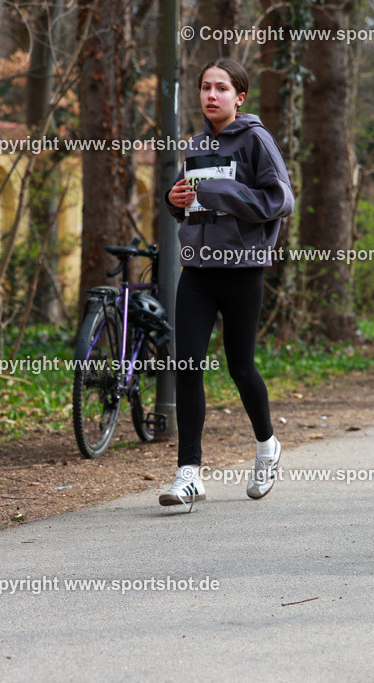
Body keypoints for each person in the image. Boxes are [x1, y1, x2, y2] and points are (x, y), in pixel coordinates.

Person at [160, 59, 294, 510]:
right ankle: (189, 473)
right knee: (188, 366)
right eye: (204, 87)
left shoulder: (256, 139)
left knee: (240, 368)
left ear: (239, 97)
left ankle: (266, 446)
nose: (210, 95)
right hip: (197, 271)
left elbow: (280, 200)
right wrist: (175, 200)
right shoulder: (196, 144)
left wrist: (215, 192)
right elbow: (194, 202)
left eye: (220, 88)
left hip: (241, 271)